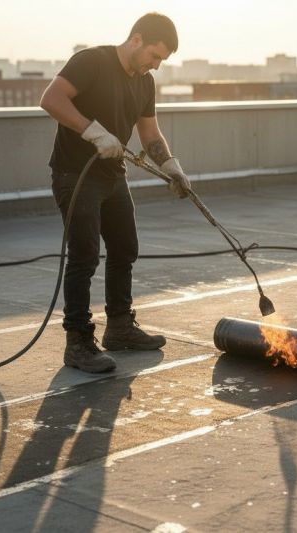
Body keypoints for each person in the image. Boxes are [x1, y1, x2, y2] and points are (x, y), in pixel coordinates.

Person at [40, 13, 190, 373]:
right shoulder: (92, 61)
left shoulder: (145, 82)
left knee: (125, 248)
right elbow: (51, 99)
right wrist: (92, 132)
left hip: (112, 175)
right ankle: (77, 342)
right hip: (75, 174)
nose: (155, 65)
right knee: (84, 256)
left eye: (162, 61)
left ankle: (120, 327)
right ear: (136, 39)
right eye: (154, 56)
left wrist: (169, 164)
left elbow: (150, 135)